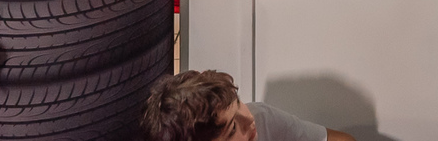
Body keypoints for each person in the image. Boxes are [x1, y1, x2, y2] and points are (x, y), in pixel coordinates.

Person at [140, 69, 356, 141]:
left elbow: (343, 140)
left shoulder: (260, 117)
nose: (249, 120)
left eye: (238, 104)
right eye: (232, 128)